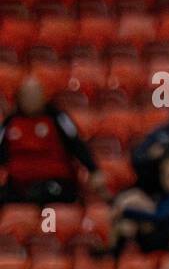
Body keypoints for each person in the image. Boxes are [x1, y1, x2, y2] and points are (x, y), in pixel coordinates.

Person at [0, 76, 104, 205]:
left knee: (42, 194)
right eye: (27, 95)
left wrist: (93, 170)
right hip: (18, 184)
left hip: (55, 182)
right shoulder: (11, 122)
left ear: (43, 96)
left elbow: (76, 144)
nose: (30, 100)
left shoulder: (57, 117)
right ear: (19, 97)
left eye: (34, 95)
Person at [114, 155, 169, 254]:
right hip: (161, 239)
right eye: (167, 176)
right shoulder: (166, 197)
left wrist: (126, 212)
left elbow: (160, 216)